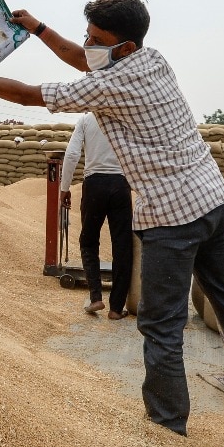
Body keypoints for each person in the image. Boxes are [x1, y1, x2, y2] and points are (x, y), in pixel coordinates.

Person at [0, 0, 224, 447]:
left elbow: (32, 96)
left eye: (96, 38)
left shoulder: (113, 84)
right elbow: (85, 61)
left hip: (173, 215)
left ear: (124, 46)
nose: (87, 44)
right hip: (212, 200)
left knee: (160, 324)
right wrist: (38, 29)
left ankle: (166, 431)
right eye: (87, 35)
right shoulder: (153, 59)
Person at [60, 113, 132, 320]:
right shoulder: (125, 116)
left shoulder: (86, 119)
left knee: (89, 241)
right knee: (123, 246)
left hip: (94, 185)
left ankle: (95, 298)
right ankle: (116, 309)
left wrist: (65, 188)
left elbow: (72, 154)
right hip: (120, 184)